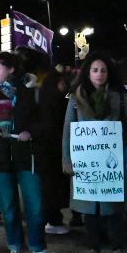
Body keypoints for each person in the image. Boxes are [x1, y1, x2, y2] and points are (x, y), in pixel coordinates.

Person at [0, 51, 56, 253]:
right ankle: (14, 246)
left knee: (35, 203)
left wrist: (30, 131)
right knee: (9, 207)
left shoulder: (30, 90)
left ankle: (38, 246)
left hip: (27, 153)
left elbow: (45, 120)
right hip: (0, 155)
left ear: (11, 69)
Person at [63, 55, 127, 253]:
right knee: (90, 210)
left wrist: (115, 144)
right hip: (85, 162)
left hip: (109, 162)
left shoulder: (119, 96)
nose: (99, 74)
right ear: (88, 73)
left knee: (113, 207)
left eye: (103, 70)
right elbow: (68, 130)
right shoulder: (75, 98)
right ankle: (93, 251)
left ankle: (118, 250)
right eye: (95, 70)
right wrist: (67, 160)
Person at [35, 68, 72, 235]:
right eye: (62, 83)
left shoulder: (49, 100)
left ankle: (52, 219)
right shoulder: (54, 103)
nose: (64, 86)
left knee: (51, 188)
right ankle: (52, 221)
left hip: (49, 151)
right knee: (52, 188)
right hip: (51, 151)